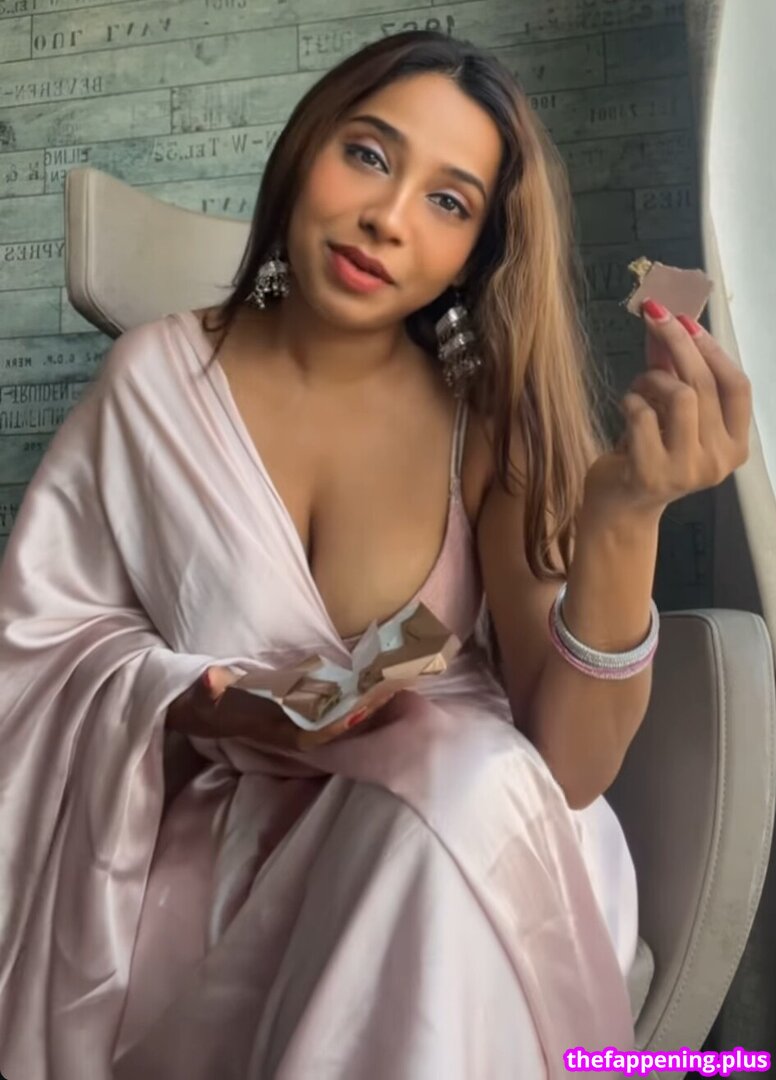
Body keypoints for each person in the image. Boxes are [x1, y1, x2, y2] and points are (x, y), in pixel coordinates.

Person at [0, 29, 751, 1080]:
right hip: (236, 856)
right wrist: (204, 701)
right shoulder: (153, 381)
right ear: (305, 146)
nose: (387, 219)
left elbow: (571, 769)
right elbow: (42, 651)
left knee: (466, 780)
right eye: (367, 154)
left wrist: (626, 515)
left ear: (477, 252)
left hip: (473, 838)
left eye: (448, 201)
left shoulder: (486, 422)